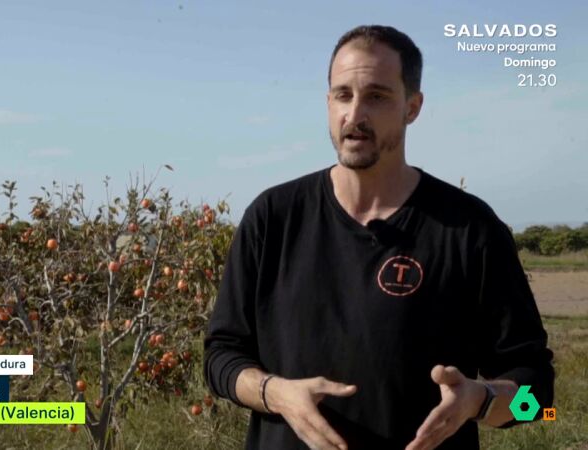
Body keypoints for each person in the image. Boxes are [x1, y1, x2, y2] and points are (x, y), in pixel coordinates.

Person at [202, 25, 554, 450]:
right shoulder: (271, 218)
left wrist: (480, 401)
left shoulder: (471, 231)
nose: (355, 115)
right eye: (342, 95)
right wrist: (275, 393)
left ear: (413, 106)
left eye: (377, 96)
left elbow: (540, 401)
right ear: (327, 102)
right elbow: (219, 358)